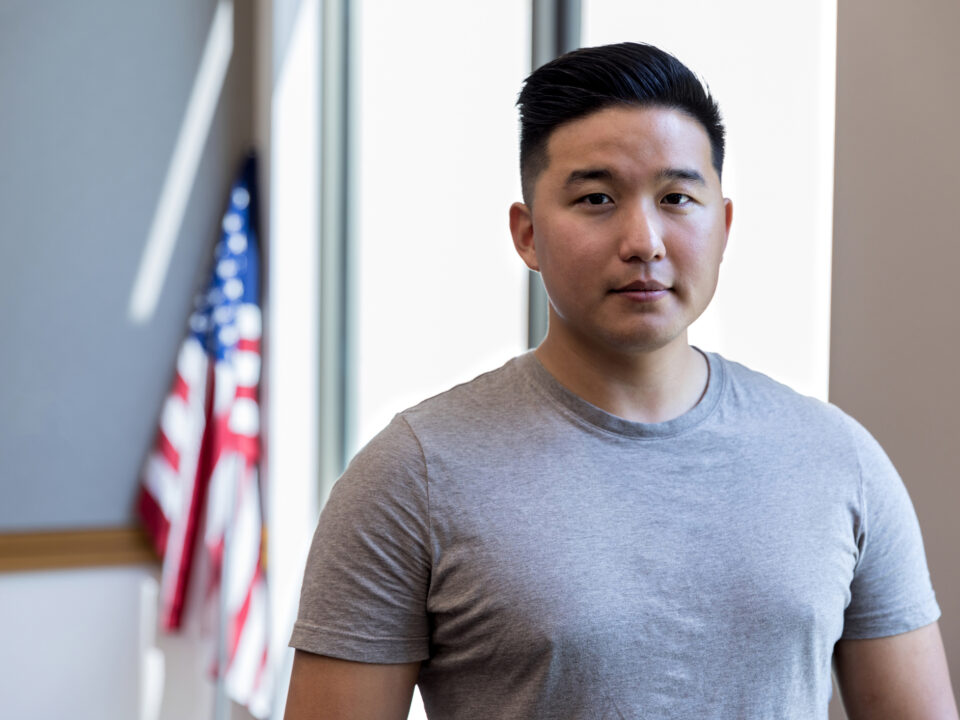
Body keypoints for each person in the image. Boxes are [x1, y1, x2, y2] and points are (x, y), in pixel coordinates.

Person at [284, 42, 957, 719]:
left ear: (722, 226)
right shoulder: (412, 475)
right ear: (526, 235)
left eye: (676, 198)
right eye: (597, 198)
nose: (644, 240)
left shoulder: (840, 462)